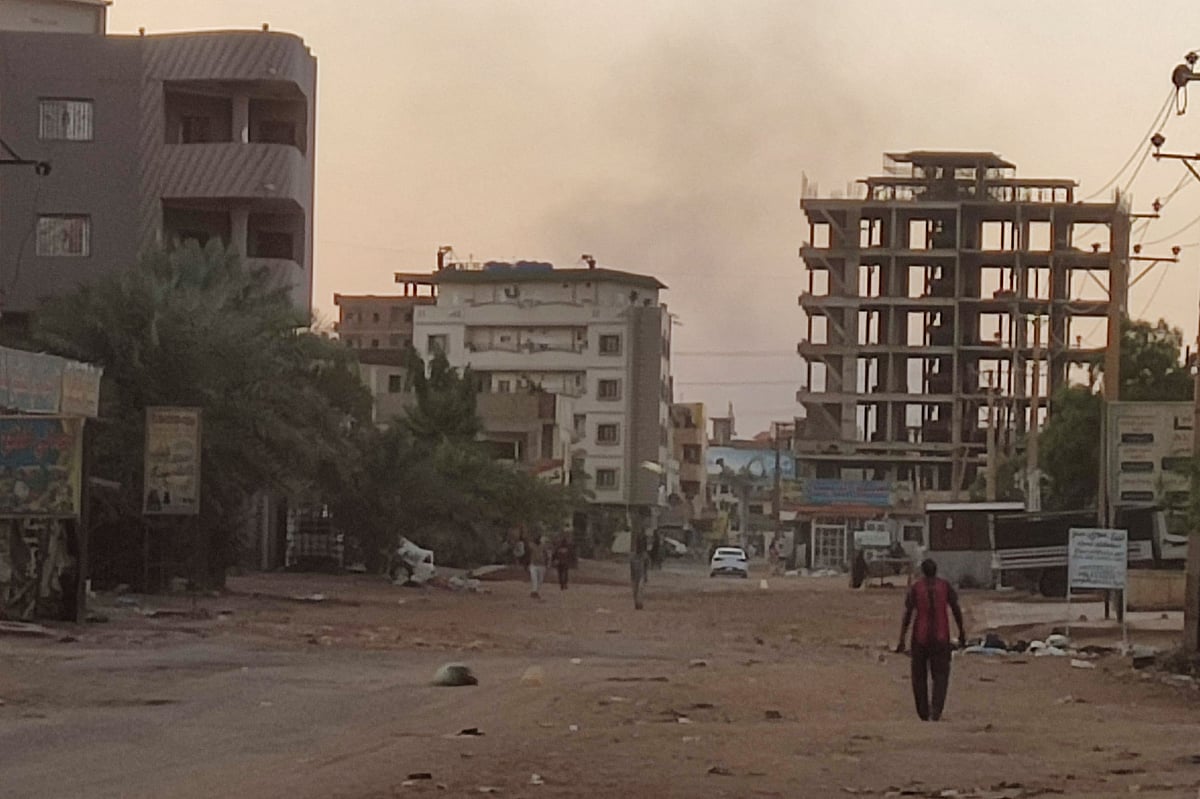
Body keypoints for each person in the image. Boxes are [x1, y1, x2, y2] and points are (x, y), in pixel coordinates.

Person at [896, 559, 967, 721]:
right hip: (941, 638)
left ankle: (923, 712)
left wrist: (902, 638)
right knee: (941, 676)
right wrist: (962, 632)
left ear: (922, 571)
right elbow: (956, 609)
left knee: (919, 677)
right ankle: (936, 710)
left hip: (920, 639)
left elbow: (908, 614)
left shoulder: (916, 588)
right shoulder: (945, 586)